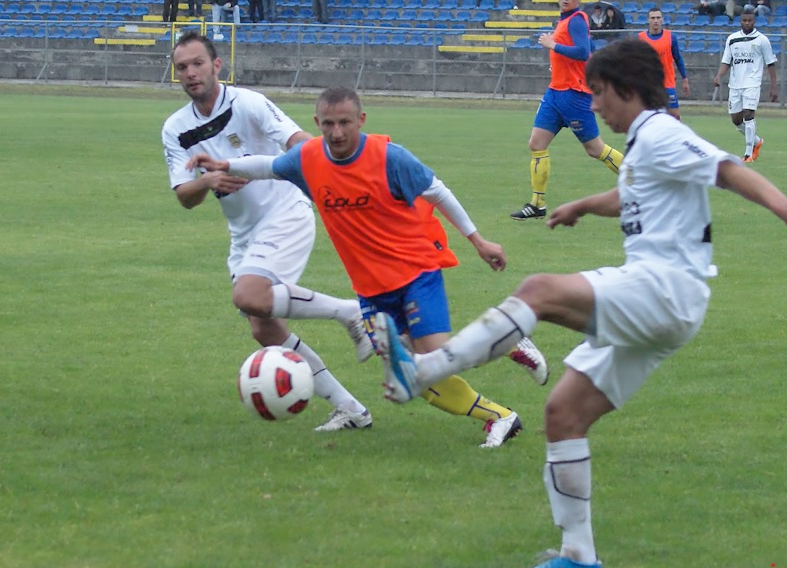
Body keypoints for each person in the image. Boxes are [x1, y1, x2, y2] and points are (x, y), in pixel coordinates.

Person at [375, 37, 787, 568]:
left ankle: (427, 370)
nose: (593, 104)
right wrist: (581, 207)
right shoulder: (645, 143)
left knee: (539, 291)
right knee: (563, 415)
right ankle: (579, 557)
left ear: (627, 90)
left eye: (598, 94)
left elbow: (725, 169)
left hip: (665, 288)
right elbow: (631, 194)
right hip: (661, 299)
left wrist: (784, 205)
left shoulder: (662, 130)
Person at [186, 87, 551, 449]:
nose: (337, 132)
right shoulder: (309, 157)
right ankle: (500, 417)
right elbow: (269, 166)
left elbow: (437, 191)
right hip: (371, 291)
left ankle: (509, 340)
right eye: (328, 124)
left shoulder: (389, 157)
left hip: (414, 273)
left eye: (345, 122)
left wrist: (479, 241)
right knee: (411, 376)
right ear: (317, 123)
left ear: (361, 120)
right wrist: (225, 165)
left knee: (435, 357)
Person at [162, 33, 376, 433]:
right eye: (182, 68)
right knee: (264, 327)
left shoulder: (248, 102)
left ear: (217, 65)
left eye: (197, 64)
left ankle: (350, 311)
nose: (190, 73)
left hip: (285, 210)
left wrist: (321, 174)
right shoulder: (175, 128)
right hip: (243, 233)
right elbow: (184, 197)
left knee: (248, 295)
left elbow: (301, 143)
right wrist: (208, 182)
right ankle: (351, 409)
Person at [510, 0, 624, 221]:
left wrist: (553, 46)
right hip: (556, 92)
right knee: (536, 143)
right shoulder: (565, 20)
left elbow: (582, 52)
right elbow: (589, 47)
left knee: (595, 149)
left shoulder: (577, 19)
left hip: (574, 94)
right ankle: (537, 204)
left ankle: (641, 182)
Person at [713, 7, 778, 162]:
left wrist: (774, 86)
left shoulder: (762, 40)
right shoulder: (732, 39)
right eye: (744, 20)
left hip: (752, 83)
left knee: (748, 114)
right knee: (736, 120)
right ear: (740, 21)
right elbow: (726, 61)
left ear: (754, 21)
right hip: (735, 84)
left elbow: (771, 64)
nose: (747, 23)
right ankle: (757, 142)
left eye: (750, 20)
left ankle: (748, 153)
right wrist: (719, 75)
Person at [638, 7, 689, 120]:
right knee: (649, 117)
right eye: (653, 18)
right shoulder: (641, 38)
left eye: (658, 18)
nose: (655, 20)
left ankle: (676, 136)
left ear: (662, 19)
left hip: (667, 83)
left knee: (674, 115)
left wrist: (685, 78)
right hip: (649, 84)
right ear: (648, 20)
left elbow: (678, 59)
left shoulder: (671, 37)